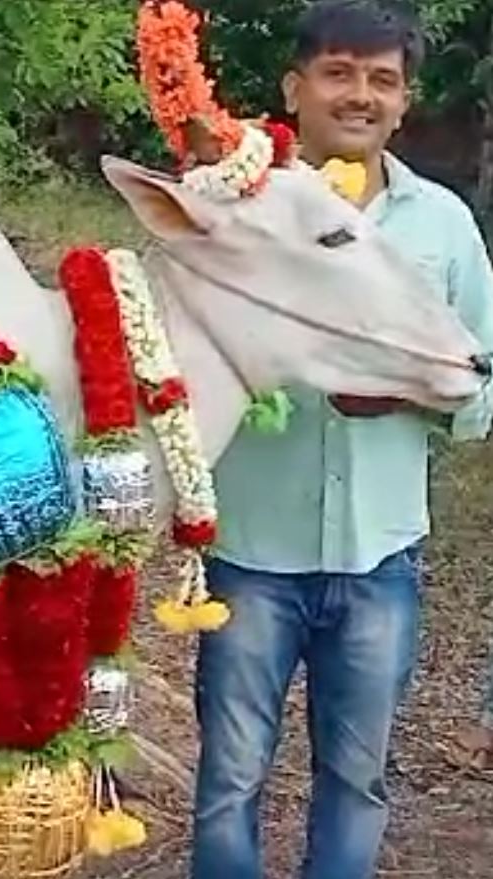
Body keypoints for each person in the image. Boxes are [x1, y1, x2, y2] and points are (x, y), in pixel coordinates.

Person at [191, 3, 493, 879]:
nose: (359, 95)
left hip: (378, 560)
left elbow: (480, 382)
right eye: (338, 73)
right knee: (229, 778)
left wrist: (404, 400)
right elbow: (177, 351)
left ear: (403, 100)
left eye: (382, 79)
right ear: (295, 88)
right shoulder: (236, 214)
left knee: (357, 781)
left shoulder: (441, 227)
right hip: (249, 550)